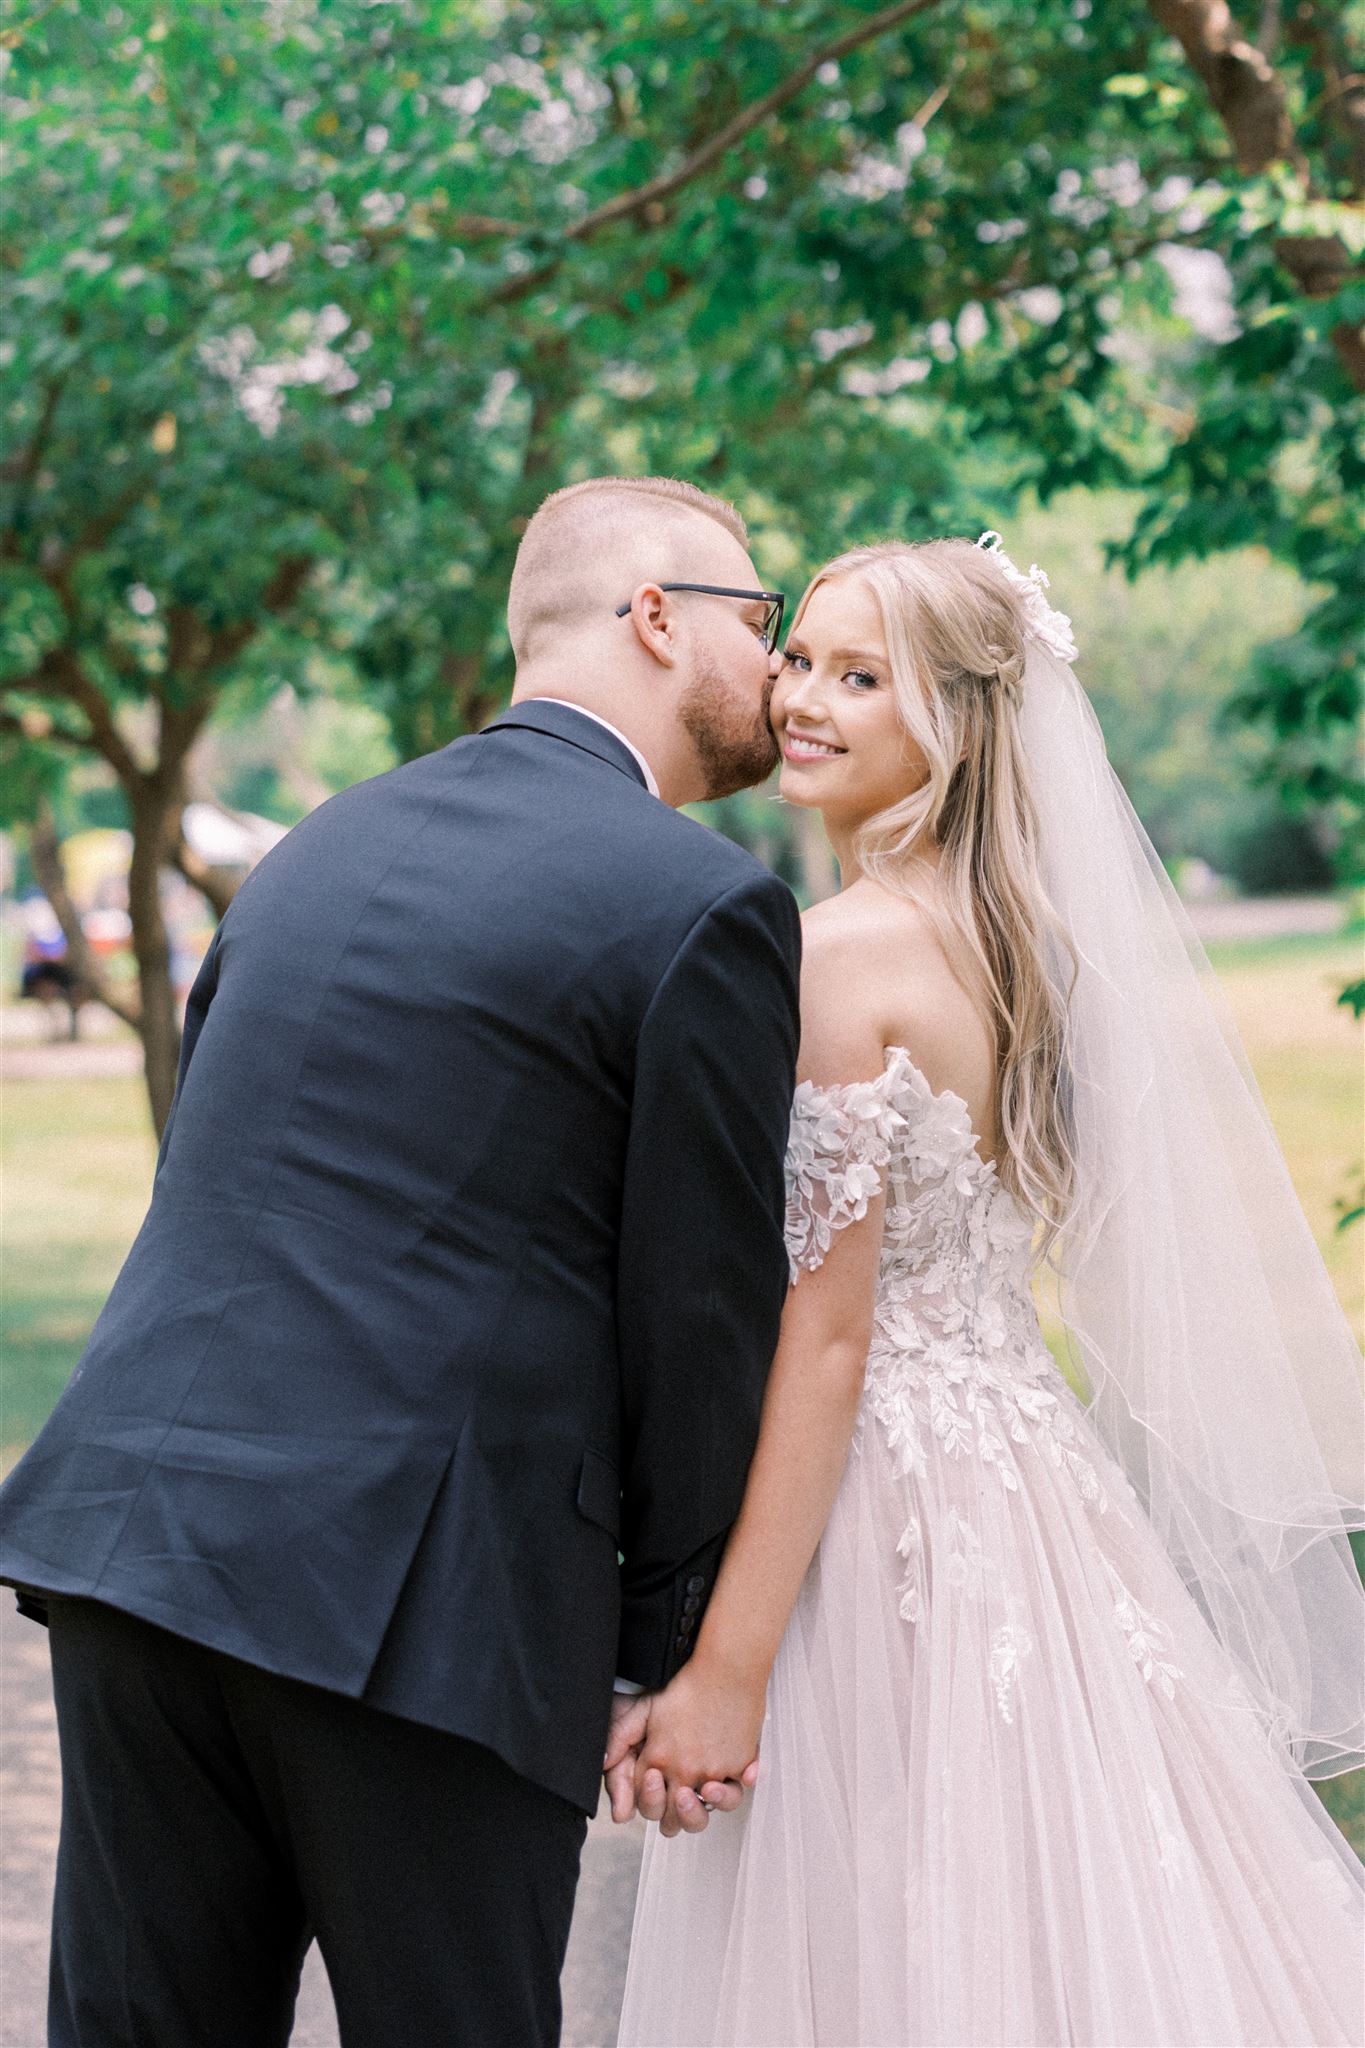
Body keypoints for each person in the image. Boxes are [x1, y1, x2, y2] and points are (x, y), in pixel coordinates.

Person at [0, 475, 802, 2048]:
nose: (772, 669)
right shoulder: (702, 903)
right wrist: (654, 1650)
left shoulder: (313, 848)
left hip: (141, 1551)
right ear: (655, 618)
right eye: (757, 622)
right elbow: (700, 1320)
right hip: (423, 1600)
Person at [610, 535, 1365, 2047]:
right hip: (1024, 1482)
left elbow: (822, 1345)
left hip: (868, 1509)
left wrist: (725, 1672)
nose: (801, 697)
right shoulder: (1022, 948)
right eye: (801, 656)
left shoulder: (834, 958)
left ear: (951, 722)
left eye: (858, 676)